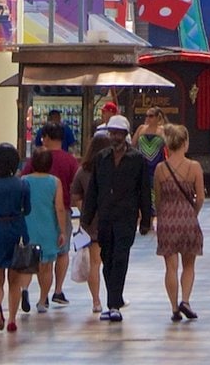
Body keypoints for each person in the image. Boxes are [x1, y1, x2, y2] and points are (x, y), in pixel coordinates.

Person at [80, 114, 154, 322]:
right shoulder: (101, 158)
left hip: (126, 217)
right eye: (112, 133)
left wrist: (146, 219)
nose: (115, 137)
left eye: (118, 134)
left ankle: (113, 304)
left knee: (121, 257)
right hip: (105, 217)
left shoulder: (137, 159)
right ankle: (115, 297)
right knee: (107, 259)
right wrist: (86, 219)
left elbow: (143, 191)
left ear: (126, 135)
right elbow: (93, 190)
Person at [150, 123, 206, 321]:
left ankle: (174, 308)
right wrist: (193, 213)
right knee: (189, 265)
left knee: (170, 267)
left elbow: (157, 198)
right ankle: (186, 300)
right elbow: (200, 197)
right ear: (185, 142)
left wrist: (158, 216)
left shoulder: (160, 169)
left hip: (167, 220)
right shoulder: (194, 167)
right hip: (188, 219)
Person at [0, 142, 32, 332]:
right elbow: (27, 210)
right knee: (15, 280)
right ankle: (12, 319)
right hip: (17, 229)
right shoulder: (22, 184)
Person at [21, 148, 66, 314]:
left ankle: (24, 289)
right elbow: (59, 208)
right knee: (46, 267)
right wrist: (62, 231)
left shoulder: (24, 180)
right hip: (48, 228)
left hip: (28, 227)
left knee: (27, 265)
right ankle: (41, 301)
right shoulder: (54, 182)